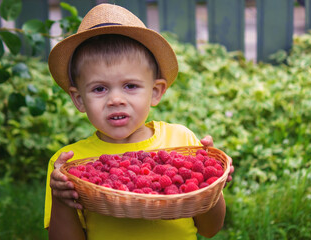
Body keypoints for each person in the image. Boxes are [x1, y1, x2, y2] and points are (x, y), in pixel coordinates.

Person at [45, 3, 233, 240]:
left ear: (155, 91)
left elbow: (210, 229)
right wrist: (61, 200)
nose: (115, 99)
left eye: (130, 86)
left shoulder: (182, 141)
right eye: (100, 88)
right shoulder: (68, 164)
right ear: (79, 99)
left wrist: (212, 183)